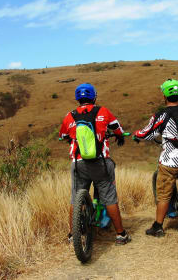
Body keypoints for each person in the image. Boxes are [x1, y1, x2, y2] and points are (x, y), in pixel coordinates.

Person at [59, 83, 131, 245]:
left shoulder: (69, 115)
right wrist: (120, 136)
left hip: (78, 163)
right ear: (94, 97)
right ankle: (121, 235)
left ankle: (72, 235)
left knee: (75, 198)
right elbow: (117, 128)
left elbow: (63, 135)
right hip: (100, 162)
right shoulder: (103, 111)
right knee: (110, 197)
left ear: (78, 99)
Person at [133, 79, 178, 237]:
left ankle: (158, 227)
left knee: (163, 193)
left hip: (170, 162)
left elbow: (147, 133)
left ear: (164, 95)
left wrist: (137, 135)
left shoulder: (162, 114)